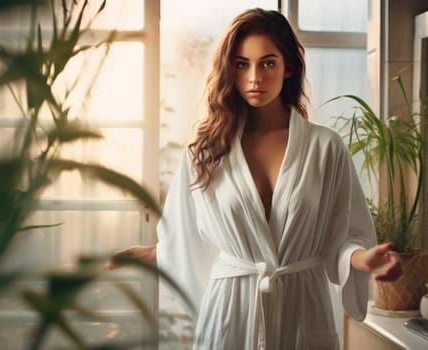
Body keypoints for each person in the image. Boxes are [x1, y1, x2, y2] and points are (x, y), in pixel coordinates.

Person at [107, 8, 401, 350]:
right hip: (231, 311)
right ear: (229, 68)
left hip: (302, 309)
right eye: (242, 63)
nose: (254, 77)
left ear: (289, 67)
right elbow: (186, 233)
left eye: (268, 63)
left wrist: (362, 260)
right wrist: (154, 253)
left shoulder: (325, 148)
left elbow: (344, 235)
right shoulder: (205, 152)